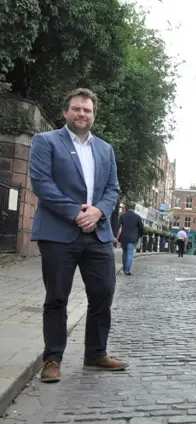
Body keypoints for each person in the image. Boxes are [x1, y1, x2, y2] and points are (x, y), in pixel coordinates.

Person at [28, 88, 128, 383]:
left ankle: (96, 354)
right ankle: (52, 360)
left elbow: (113, 189)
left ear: (93, 115)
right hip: (59, 233)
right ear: (66, 112)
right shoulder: (45, 141)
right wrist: (76, 213)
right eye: (76, 109)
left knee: (103, 294)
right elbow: (42, 184)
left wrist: (98, 212)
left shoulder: (105, 149)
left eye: (87, 110)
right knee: (57, 297)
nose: (81, 114)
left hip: (97, 234)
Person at [116, 203, 144, 275]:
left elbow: (117, 226)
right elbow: (141, 228)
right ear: (134, 208)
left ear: (127, 208)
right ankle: (127, 270)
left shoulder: (122, 216)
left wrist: (116, 236)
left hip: (124, 238)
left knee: (124, 253)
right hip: (132, 238)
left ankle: (125, 268)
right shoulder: (137, 217)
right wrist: (139, 235)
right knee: (130, 254)